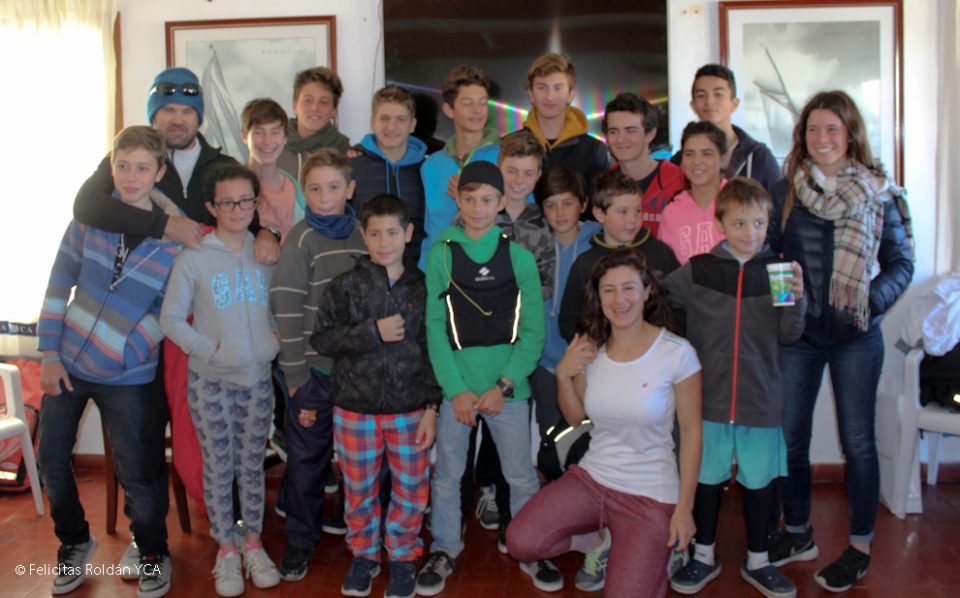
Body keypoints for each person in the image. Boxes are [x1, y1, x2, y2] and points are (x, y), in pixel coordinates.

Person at [766, 91, 914, 592]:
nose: (821, 138)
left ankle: (859, 547)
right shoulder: (786, 189)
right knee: (790, 438)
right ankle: (798, 532)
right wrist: (788, 306)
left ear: (850, 134)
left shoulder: (879, 192)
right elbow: (772, 253)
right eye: (813, 129)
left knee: (858, 443)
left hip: (857, 336)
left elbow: (901, 263)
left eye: (832, 128)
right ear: (802, 136)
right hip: (800, 336)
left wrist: (869, 302)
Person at [507, 249, 703, 598]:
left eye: (629, 288)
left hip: (649, 494)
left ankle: (649, 550)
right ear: (598, 298)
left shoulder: (676, 352)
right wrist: (564, 375)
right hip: (593, 479)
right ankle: (599, 539)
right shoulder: (591, 349)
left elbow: (691, 433)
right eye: (608, 290)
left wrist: (684, 510)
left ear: (646, 291)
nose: (619, 299)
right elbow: (576, 418)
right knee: (521, 541)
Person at [37, 126, 180, 597]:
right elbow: (59, 283)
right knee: (50, 457)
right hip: (68, 364)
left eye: (142, 168)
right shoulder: (89, 219)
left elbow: (168, 311)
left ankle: (152, 550)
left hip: (128, 374)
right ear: (111, 167)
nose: (131, 176)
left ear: (159, 172)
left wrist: (123, 350)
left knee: (138, 470)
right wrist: (50, 352)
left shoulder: (175, 239)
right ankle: (75, 541)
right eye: (122, 166)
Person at [415, 161, 559, 595]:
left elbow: (532, 332)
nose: (478, 208)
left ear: (501, 203)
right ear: (457, 200)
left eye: (487, 200)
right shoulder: (441, 253)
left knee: (520, 476)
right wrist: (455, 390)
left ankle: (531, 547)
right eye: (469, 199)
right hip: (457, 390)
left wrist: (505, 385)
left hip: (506, 392)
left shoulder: (519, 258)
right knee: (447, 475)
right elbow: (435, 327)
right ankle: (444, 548)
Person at [665, 177, 806, 598]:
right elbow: (662, 300)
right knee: (705, 479)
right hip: (707, 401)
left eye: (759, 223)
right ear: (720, 224)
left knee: (760, 483)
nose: (750, 233)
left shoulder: (779, 271)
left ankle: (759, 560)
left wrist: (798, 299)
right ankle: (703, 555)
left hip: (760, 399)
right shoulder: (700, 269)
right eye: (740, 223)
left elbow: (790, 334)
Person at [159, 164, 282, 597]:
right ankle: (226, 550)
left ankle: (253, 544)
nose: (237, 209)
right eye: (226, 202)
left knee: (251, 466)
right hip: (210, 381)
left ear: (256, 203)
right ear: (212, 206)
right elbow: (170, 319)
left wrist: (272, 341)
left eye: (245, 201)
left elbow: (277, 308)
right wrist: (208, 350)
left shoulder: (265, 253)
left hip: (257, 379)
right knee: (218, 466)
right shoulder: (194, 257)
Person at [310, 195, 441, 598]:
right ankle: (364, 555)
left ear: (408, 233)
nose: (385, 242)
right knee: (359, 489)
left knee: (411, 489)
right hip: (355, 409)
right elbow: (323, 339)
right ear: (363, 236)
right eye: (376, 234)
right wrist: (372, 332)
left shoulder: (424, 287)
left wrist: (432, 406)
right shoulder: (345, 286)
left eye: (393, 233)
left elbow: (435, 350)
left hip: (410, 409)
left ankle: (402, 556)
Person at [268, 149, 367, 582]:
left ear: (350, 189)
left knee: (361, 459)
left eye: (333, 187)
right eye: (314, 189)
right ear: (303, 193)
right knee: (307, 459)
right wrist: (294, 375)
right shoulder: (300, 240)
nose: (325, 197)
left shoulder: (365, 235)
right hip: (312, 374)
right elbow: (286, 309)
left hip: (358, 375)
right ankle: (300, 538)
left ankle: (361, 533)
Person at [558, 170, 680, 342]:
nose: (632, 220)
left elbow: (680, 307)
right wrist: (593, 347)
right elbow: (569, 321)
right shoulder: (585, 264)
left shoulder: (661, 253)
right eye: (623, 212)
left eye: (638, 210)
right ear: (600, 214)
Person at [418, 64, 500, 269]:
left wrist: (470, 201)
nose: (477, 110)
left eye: (482, 103)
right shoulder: (431, 165)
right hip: (442, 272)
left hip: (490, 270)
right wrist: (427, 273)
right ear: (449, 110)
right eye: (467, 103)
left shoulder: (504, 158)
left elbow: (520, 219)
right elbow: (430, 230)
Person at [349, 85, 428, 264]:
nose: (391, 126)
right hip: (363, 271)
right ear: (372, 122)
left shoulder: (427, 170)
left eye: (401, 119)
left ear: (412, 125)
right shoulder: (352, 166)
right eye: (384, 118)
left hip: (416, 272)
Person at [671, 64, 780, 194]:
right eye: (701, 95)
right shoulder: (680, 161)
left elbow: (777, 205)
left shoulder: (759, 157)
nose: (709, 101)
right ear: (693, 105)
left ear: (734, 104)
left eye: (718, 94)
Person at [602, 92, 685, 237]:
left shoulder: (679, 181)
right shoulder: (603, 184)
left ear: (650, 134)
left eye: (630, 131)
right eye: (613, 131)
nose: (620, 139)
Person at [522, 52, 609, 190]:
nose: (550, 96)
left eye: (558, 88)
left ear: (570, 95)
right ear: (531, 95)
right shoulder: (508, 147)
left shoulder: (593, 151)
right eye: (542, 87)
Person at [659, 121, 728, 264]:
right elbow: (665, 268)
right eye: (689, 154)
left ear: (722, 159)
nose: (696, 161)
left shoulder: (740, 204)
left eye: (706, 154)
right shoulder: (671, 213)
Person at [241, 98, 306, 242]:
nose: (267, 141)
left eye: (275, 132)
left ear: (285, 138)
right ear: (244, 136)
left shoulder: (296, 191)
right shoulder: (232, 189)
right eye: (258, 132)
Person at [277, 66, 351, 177]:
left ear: (334, 111)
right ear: (294, 106)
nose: (315, 108)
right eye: (308, 100)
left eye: (324, 101)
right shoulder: (274, 144)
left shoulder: (343, 150)